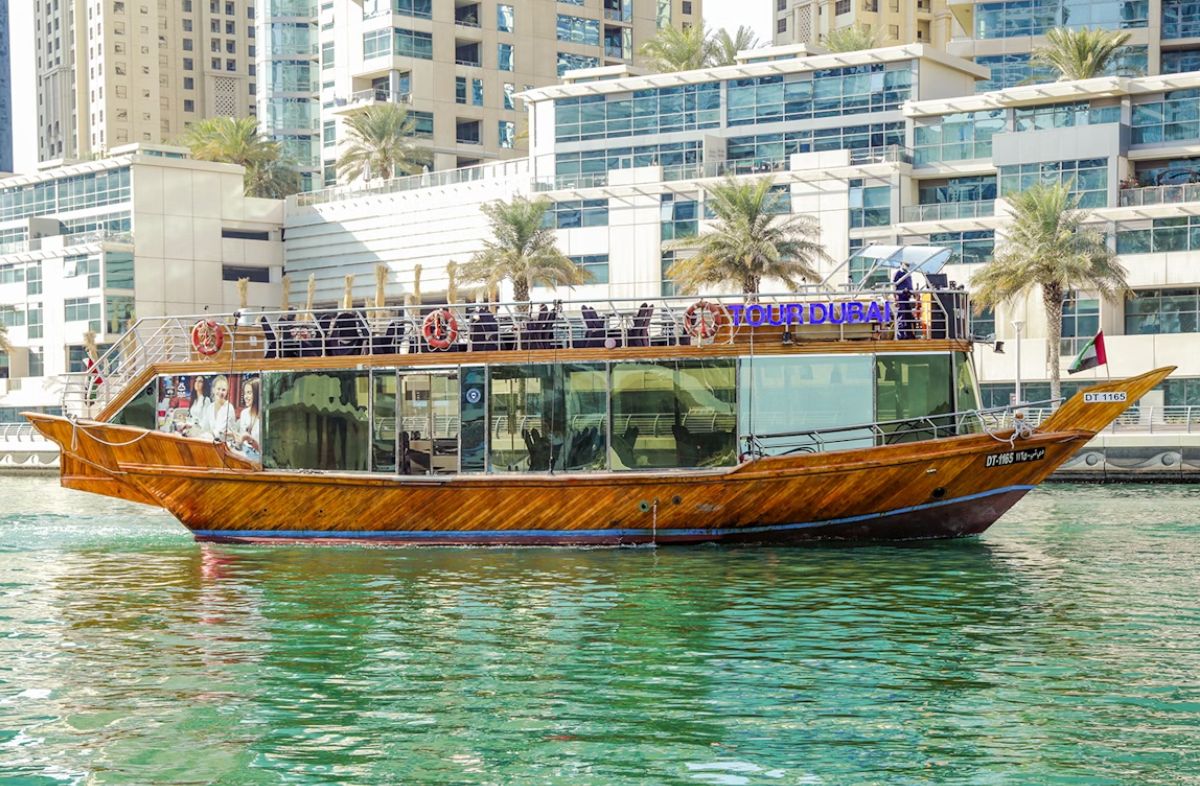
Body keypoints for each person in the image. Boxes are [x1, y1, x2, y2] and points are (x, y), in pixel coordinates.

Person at [234, 378, 262, 459]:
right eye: (245, 393)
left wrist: (250, 439)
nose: (245, 397)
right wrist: (234, 436)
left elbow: (265, 453)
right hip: (245, 453)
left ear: (257, 394)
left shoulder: (266, 415)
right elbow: (242, 440)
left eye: (249, 393)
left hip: (258, 457)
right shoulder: (244, 413)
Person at [205, 375, 235, 440]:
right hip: (211, 442)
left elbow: (222, 432)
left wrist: (209, 434)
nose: (221, 392)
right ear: (213, 390)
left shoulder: (229, 408)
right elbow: (205, 427)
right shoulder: (210, 407)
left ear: (227, 392)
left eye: (223, 390)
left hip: (225, 445)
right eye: (218, 389)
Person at [893, 262, 915, 340]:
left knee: (908, 316)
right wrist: (895, 297)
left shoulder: (908, 274)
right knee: (902, 316)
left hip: (907, 298)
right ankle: (901, 335)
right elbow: (894, 285)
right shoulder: (898, 273)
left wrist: (913, 292)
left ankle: (909, 334)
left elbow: (910, 285)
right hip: (901, 298)